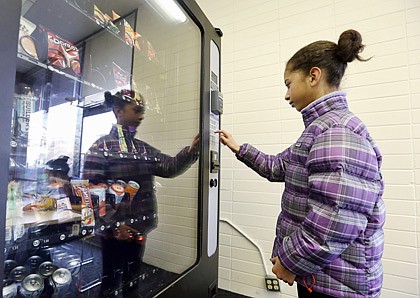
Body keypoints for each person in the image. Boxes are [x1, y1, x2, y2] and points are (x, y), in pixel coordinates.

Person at [217, 29, 385, 298]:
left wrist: (290, 261)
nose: (286, 95)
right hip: (320, 275)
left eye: (288, 84)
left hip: (336, 285)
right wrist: (239, 148)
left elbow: (335, 219)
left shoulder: (336, 132)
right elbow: (279, 167)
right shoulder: (320, 129)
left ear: (313, 76)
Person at [82, 89, 199, 293]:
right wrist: (116, 225)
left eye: (142, 111)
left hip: (137, 229)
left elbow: (168, 167)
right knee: (110, 282)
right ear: (118, 110)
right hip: (113, 234)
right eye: (136, 110)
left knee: (132, 281)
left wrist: (192, 151)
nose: (141, 116)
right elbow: (92, 192)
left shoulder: (142, 148)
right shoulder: (100, 147)